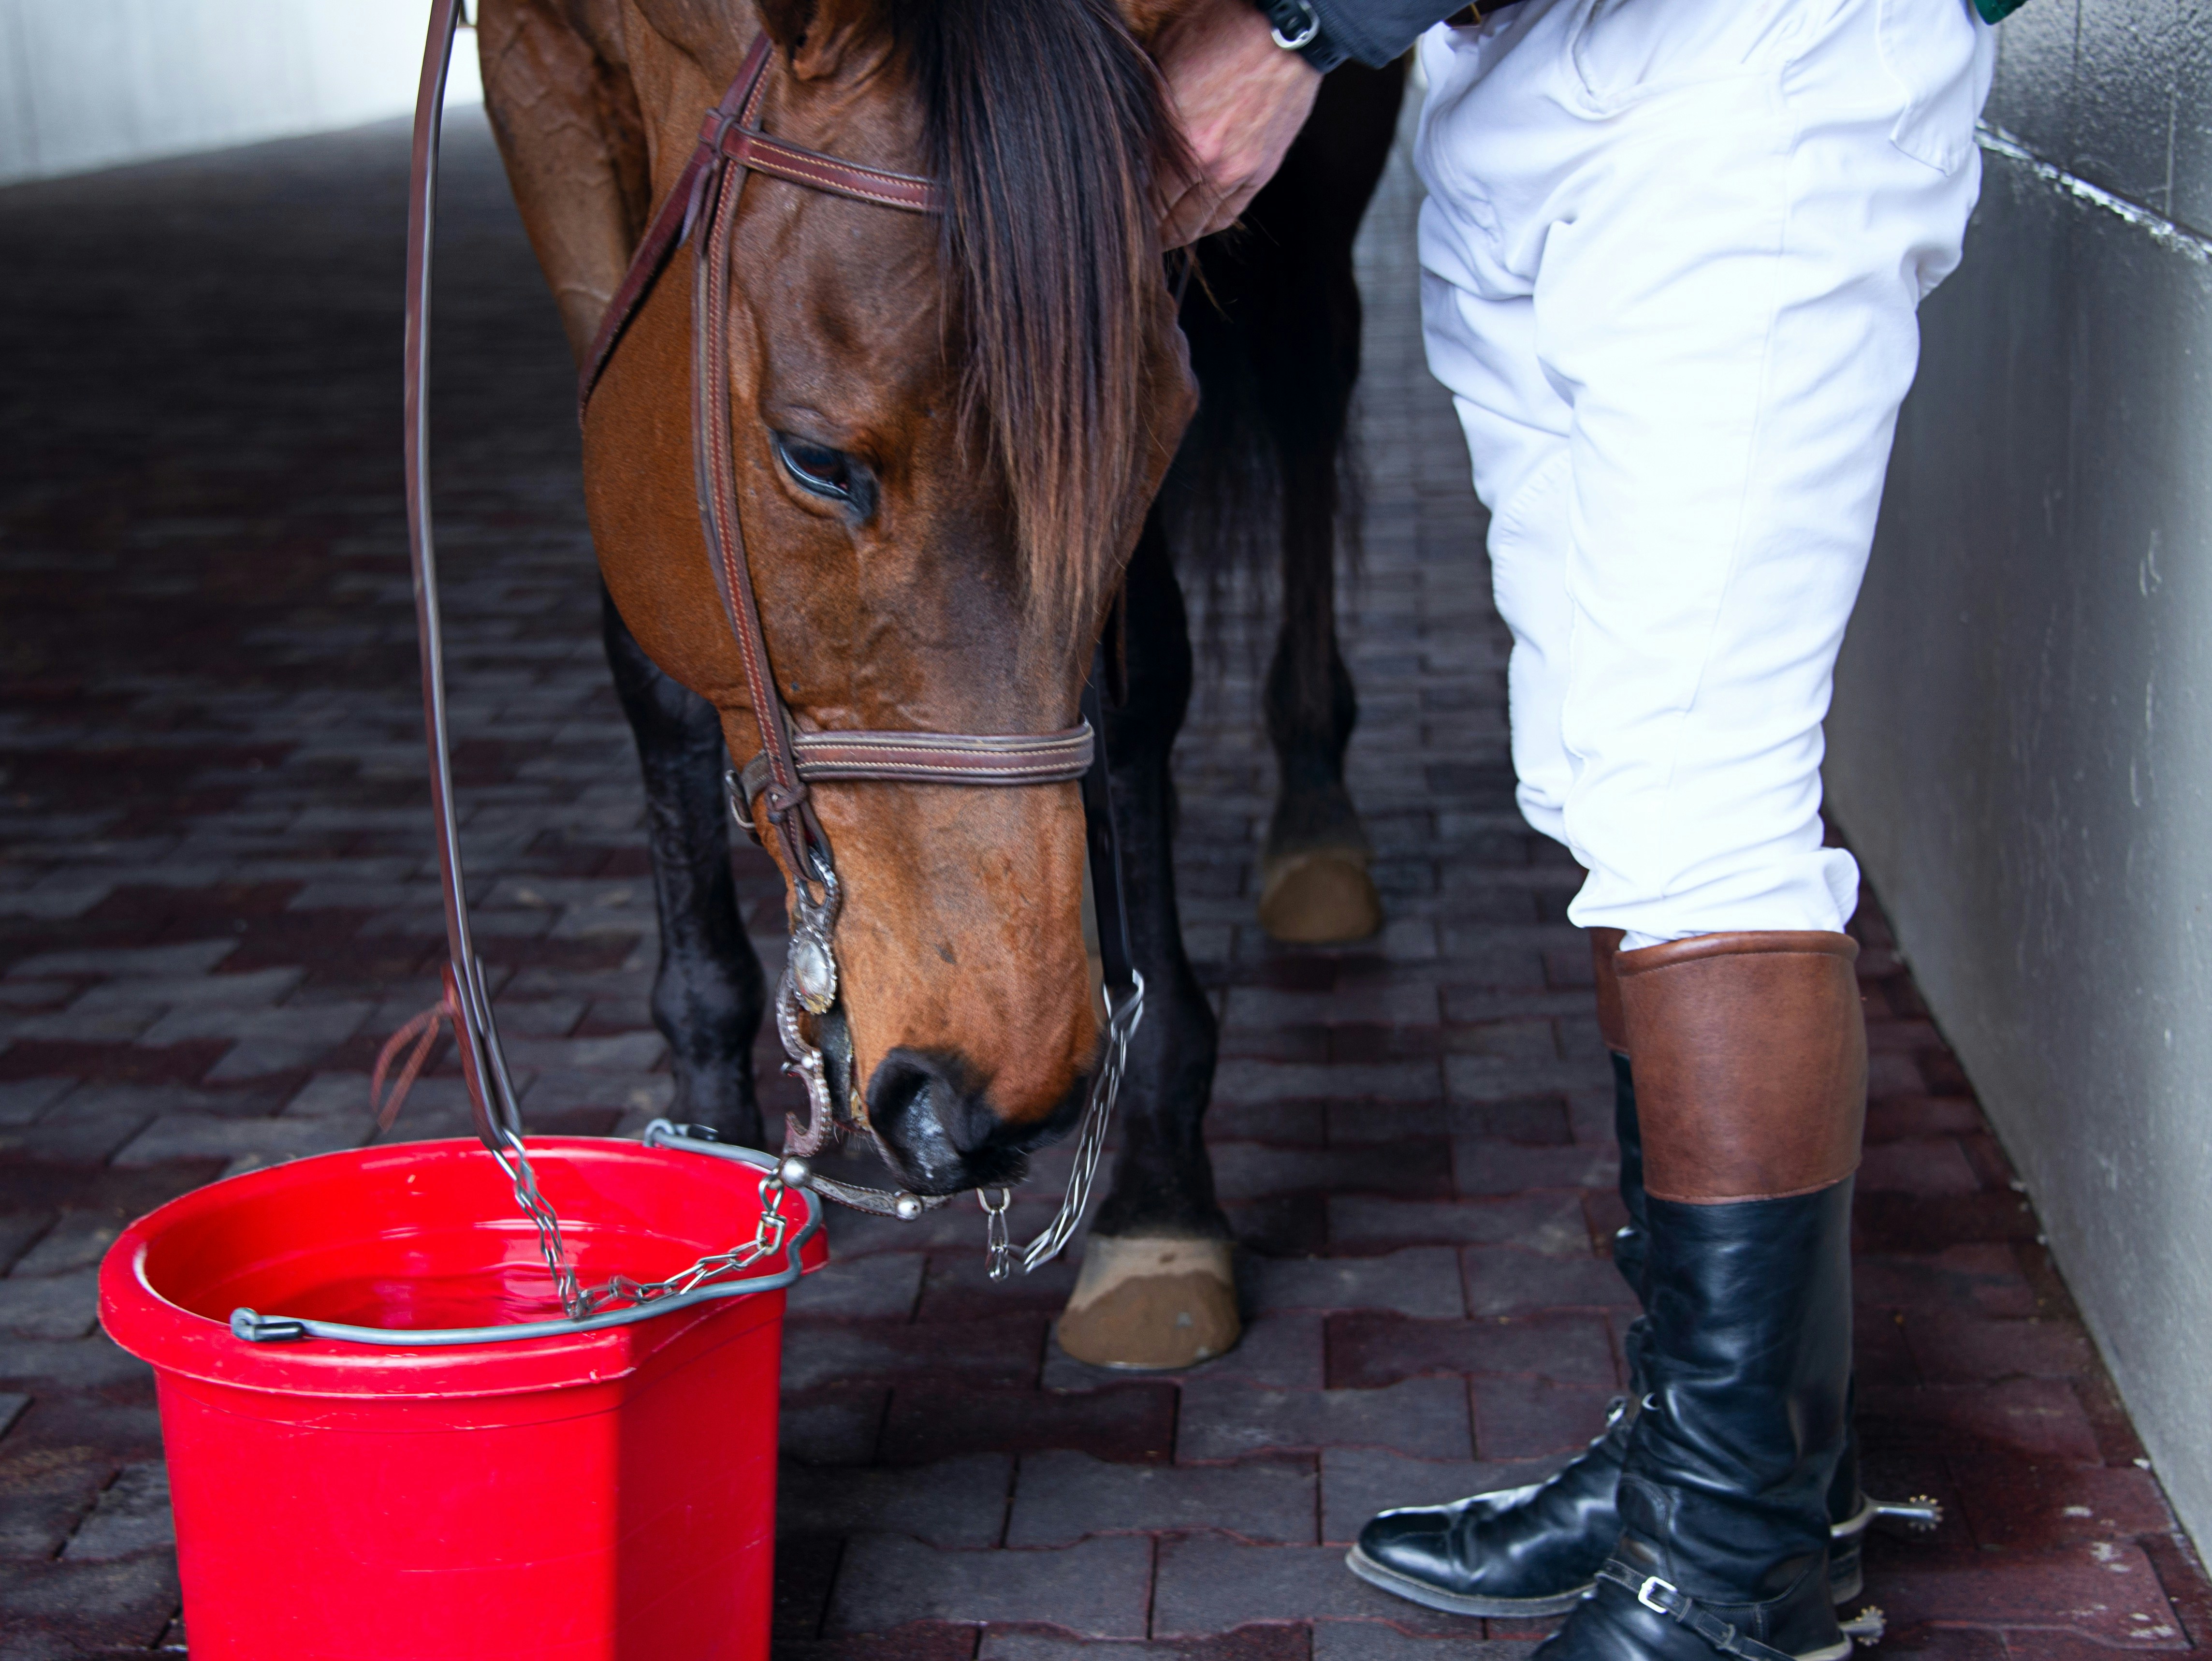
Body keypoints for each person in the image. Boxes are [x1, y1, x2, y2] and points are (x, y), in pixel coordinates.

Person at [1150, 0, 2004, 1656]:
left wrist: (1301, 25)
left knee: (1699, 801)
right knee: (1609, 783)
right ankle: (1736, 1466)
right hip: (1508, 65)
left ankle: (1731, 1570)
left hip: (1750, 60)